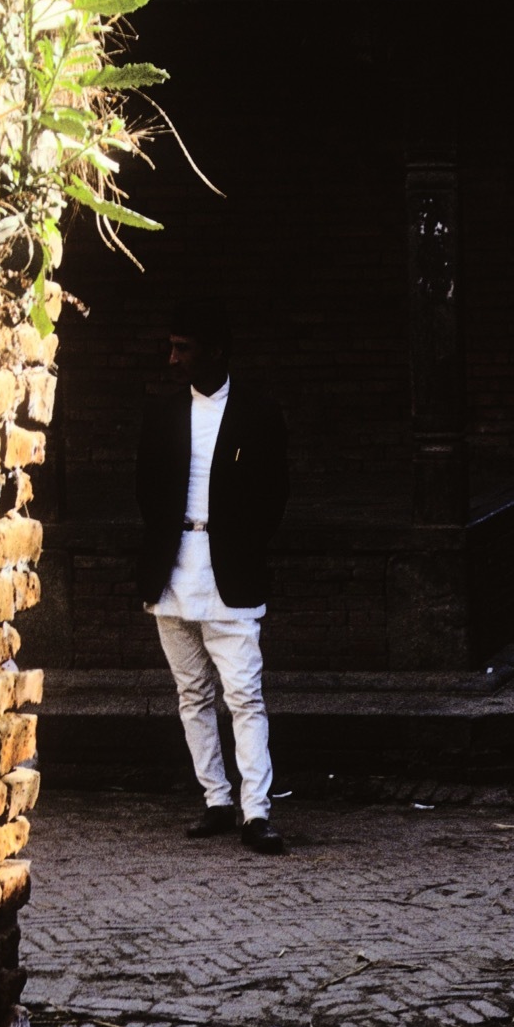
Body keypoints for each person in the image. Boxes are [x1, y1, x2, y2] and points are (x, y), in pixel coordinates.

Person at [137, 299, 290, 855]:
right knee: (192, 693)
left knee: (245, 695)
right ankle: (217, 801)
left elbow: (274, 493)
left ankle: (257, 812)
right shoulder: (162, 413)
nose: (173, 358)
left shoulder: (258, 412)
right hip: (173, 572)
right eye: (172, 347)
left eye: (184, 348)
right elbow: (146, 491)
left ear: (216, 351)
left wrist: (243, 545)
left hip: (231, 572)